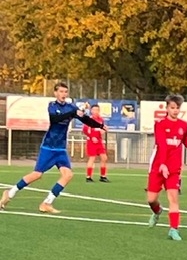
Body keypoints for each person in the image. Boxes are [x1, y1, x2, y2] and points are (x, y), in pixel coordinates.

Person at [0, 82, 107, 214]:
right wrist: (73, 112)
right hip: (49, 147)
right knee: (37, 175)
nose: (63, 94)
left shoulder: (70, 107)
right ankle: (10, 193)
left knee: (68, 175)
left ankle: (47, 203)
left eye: (65, 92)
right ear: (55, 93)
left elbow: (86, 120)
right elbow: (55, 119)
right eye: (61, 91)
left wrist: (100, 126)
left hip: (61, 149)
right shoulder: (52, 106)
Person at [147, 94, 187, 241]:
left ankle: (174, 229)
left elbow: (186, 140)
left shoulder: (183, 125)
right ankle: (157, 211)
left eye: (177, 108)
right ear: (167, 108)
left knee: (173, 199)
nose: (175, 110)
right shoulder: (160, 124)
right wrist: (163, 164)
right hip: (158, 166)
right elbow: (162, 144)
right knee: (151, 199)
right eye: (172, 107)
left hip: (174, 168)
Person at [83, 104, 109, 183]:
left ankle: (103, 176)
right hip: (91, 142)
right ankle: (88, 177)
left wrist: (104, 130)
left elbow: (103, 129)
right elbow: (85, 130)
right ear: (91, 111)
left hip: (99, 142)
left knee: (104, 158)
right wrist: (92, 137)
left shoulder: (101, 120)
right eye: (94, 110)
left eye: (97, 110)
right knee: (92, 158)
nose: (96, 111)